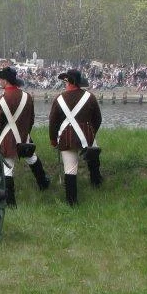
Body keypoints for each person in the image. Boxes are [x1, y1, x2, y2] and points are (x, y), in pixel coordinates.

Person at [0, 66, 50, 206]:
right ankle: (43, 184)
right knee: (32, 159)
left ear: (5, 80)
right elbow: (31, 119)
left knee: (7, 169)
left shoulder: (0, 100)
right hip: (23, 136)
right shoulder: (27, 97)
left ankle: (11, 203)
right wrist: (24, 133)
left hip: (7, 139)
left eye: (0, 79)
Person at [48, 69, 102, 206]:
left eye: (65, 81)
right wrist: (91, 133)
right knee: (94, 158)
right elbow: (97, 119)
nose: (64, 83)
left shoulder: (59, 98)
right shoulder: (90, 97)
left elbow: (53, 122)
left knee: (70, 170)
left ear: (69, 82)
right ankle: (96, 182)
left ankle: (71, 202)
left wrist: (53, 140)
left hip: (67, 138)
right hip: (87, 136)